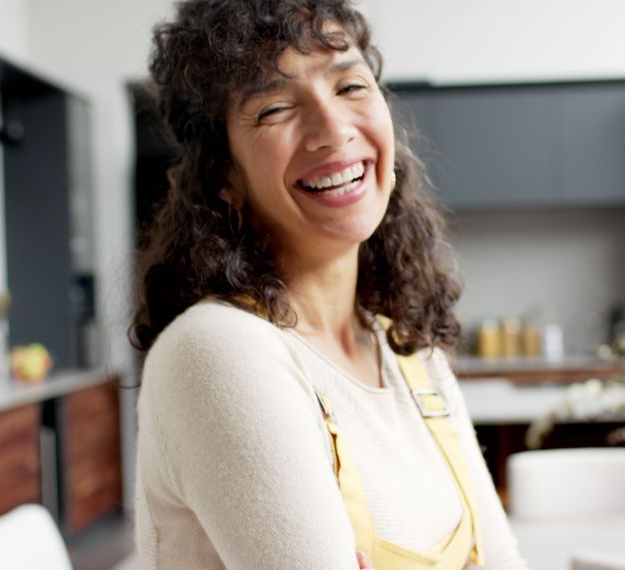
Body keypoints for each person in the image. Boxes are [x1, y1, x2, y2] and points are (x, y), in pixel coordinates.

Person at [130, 1, 527, 568]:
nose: (333, 129)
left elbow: (503, 558)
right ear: (224, 175)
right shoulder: (220, 351)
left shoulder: (409, 352)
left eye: (350, 87)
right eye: (274, 107)